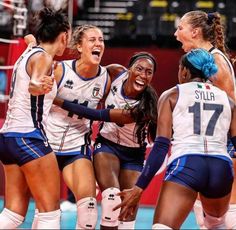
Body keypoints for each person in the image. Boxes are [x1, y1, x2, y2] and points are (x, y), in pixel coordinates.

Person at [113, 48, 236, 229]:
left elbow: (161, 146)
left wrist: (139, 188)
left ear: (184, 71)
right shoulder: (228, 100)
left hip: (188, 164)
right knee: (216, 225)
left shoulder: (172, 95)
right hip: (221, 167)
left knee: (162, 227)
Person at [54, 51, 158, 229]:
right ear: (129, 68)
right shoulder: (115, 73)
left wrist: (57, 101)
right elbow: (94, 85)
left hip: (134, 154)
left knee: (127, 211)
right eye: (139, 69)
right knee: (111, 201)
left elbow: (97, 114)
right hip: (107, 145)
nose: (143, 75)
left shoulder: (144, 107)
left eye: (149, 72)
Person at [0, 7, 70, 229]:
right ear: (63, 35)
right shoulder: (44, 58)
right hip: (29, 138)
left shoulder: (30, 50)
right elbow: (35, 82)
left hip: (8, 139)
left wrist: (32, 37)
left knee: (12, 215)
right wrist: (39, 86)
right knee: (50, 214)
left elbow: (29, 38)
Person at [35, 24, 110, 230]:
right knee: (44, 211)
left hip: (76, 146)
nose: (98, 44)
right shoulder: (60, 70)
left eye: (101, 40)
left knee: (89, 208)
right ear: (79, 46)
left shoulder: (106, 77)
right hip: (46, 145)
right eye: (92, 40)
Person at [174, 10, 236, 229]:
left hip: (223, 147)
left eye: (180, 28)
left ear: (195, 31)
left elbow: (232, 108)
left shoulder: (215, 61)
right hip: (208, 147)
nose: (175, 34)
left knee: (224, 220)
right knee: (207, 219)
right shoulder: (203, 60)